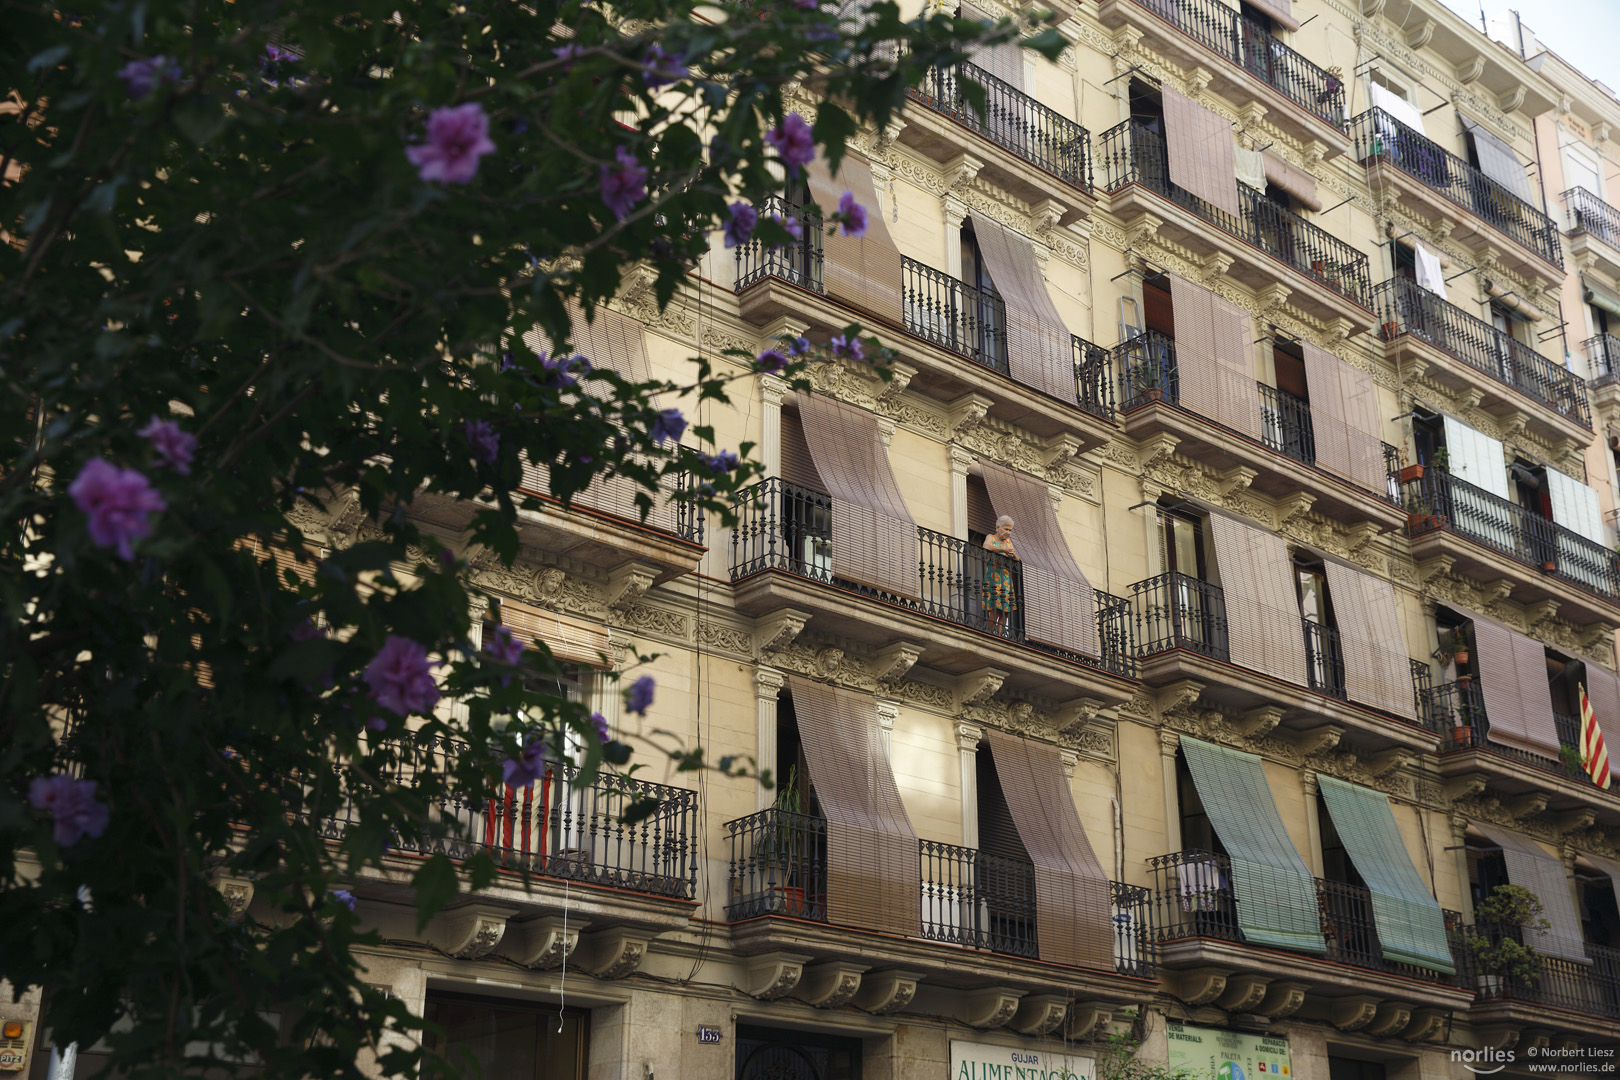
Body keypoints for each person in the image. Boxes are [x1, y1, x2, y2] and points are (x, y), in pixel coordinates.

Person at [983, 515, 1019, 636]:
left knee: (1005, 609)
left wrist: (1013, 555)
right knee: (995, 606)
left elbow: (1017, 559)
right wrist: (1003, 550)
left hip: (1006, 579)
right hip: (994, 577)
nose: (1008, 532)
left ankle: (999, 634)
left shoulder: (1009, 542)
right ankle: (989, 631)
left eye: (1010, 530)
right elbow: (986, 546)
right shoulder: (991, 537)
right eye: (1006, 529)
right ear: (998, 527)